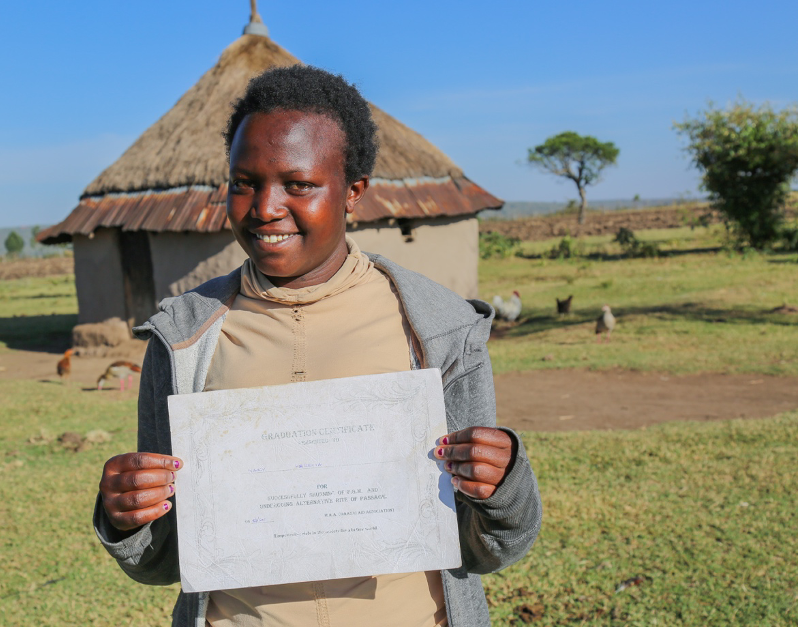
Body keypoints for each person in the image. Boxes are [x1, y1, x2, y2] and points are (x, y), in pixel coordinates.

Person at [95, 65, 542, 627]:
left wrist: (501, 485)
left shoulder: (437, 330)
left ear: (353, 192)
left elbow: (486, 547)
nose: (264, 207)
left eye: (298, 185)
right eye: (244, 182)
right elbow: (165, 558)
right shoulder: (185, 339)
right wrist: (127, 514)